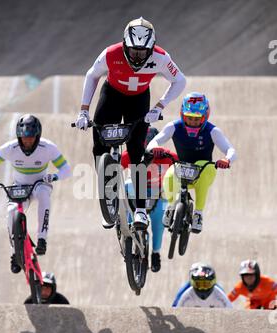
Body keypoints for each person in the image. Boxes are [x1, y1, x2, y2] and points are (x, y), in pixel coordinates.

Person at [75, 16, 186, 230]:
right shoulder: (110, 53)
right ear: (125, 45)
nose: (138, 57)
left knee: (136, 153)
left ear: (151, 48)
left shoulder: (162, 58)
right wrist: (83, 111)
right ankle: (108, 192)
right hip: (112, 95)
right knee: (99, 144)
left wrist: (159, 107)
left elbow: (180, 81)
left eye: (143, 52)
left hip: (139, 100)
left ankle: (141, 211)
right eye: (134, 51)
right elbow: (92, 76)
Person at [0, 114, 72, 273]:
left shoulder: (48, 148)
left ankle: (42, 238)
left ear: (38, 136)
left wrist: (54, 176)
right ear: (19, 136)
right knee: (11, 212)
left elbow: (66, 169)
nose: (27, 141)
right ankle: (15, 253)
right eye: (24, 138)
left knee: (44, 195)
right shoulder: (10, 148)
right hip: (19, 186)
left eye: (31, 137)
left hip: (39, 184)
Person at [146, 91, 237, 233]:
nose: (193, 122)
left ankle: (198, 214)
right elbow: (154, 141)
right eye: (189, 118)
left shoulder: (213, 131)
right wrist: (155, 147)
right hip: (181, 168)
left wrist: (226, 159)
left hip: (203, 172)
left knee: (203, 164)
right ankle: (170, 207)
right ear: (182, 115)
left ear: (205, 117)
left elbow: (230, 149)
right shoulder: (173, 126)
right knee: (169, 175)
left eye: (197, 119)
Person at [121, 127, 178, 272]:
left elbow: (182, 165)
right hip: (134, 192)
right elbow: (114, 168)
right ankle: (127, 232)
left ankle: (156, 253)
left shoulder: (166, 155)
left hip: (157, 194)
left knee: (158, 222)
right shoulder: (131, 153)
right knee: (127, 186)